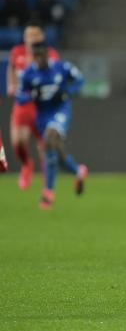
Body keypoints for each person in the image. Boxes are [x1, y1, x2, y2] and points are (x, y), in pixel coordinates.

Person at [16, 41, 88, 210]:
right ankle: (77, 171)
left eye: (41, 55)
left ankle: (48, 193)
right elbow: (19, 97)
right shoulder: (28, 74)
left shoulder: (61, 68)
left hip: (60, 111)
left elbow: (79, 79)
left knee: (50, 138)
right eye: (36, 56)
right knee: (55, 152)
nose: (39, 59)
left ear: (47, 54)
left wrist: (68, 93)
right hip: (42, 116)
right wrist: (33, 95)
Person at [7, 22, 60, 190]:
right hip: (22, 104)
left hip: (41, 105)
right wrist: (11, 84)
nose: (32, 43)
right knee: (18, 141)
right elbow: (12, 68)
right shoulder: (17, 53)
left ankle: (47, 181)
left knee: (44, 144)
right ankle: (26, 165)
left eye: (36, 39)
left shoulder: (50, 55)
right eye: (29, 39)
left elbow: (55, 74)